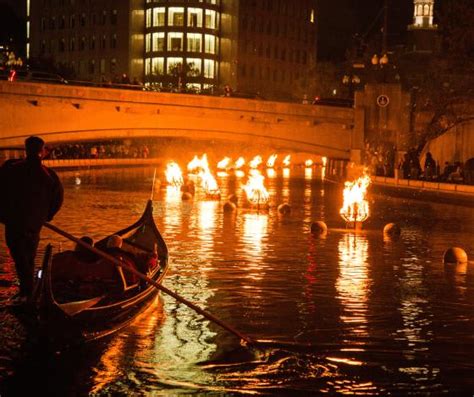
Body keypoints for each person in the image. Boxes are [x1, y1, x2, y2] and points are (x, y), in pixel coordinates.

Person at [0, 136, 63, 304]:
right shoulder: (49, 176)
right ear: (42, 151)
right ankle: (29, 291)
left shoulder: (11, 169)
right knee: (28, 256)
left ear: (25, 149)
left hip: (14, 222)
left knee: (20, 257)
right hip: (34, 224)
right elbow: (58, 199)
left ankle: (27, 291)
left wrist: (3, 216)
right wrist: (46, 216)